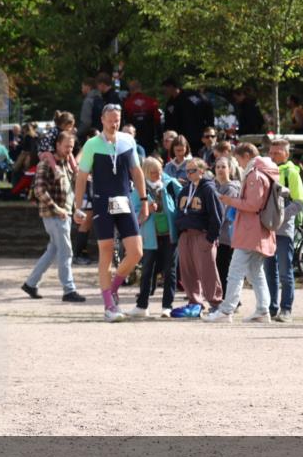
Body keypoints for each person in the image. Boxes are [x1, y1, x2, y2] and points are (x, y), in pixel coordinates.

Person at [73, 104, 148, 322]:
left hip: (124, 201)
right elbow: (81, 176)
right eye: (110, 120)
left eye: (117, 119)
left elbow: (136, 171)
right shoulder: (91, 144)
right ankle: (108, 306)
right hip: (101, 202)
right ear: (102, 120)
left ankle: (113, 287)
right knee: (105, 250)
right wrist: (78, 206)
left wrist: (143, 200)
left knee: (136, 252)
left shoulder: (128, 140)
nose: (114, 123)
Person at [204, 143, 279, 322]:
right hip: (259, 230)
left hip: (249, 230)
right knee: (255, 272)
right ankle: (262, 310)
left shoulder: (255, 175)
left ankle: (226, 310)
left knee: (235, 271)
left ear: (246, 156)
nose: (238, 164)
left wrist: (230, 200)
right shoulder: (266, 172)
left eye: (238, 160)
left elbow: (253, 205)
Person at [21, 131, 85, 302]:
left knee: (53, 250)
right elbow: (39, 190)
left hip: (64, 214)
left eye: (71, 147)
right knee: (66, 251)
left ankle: (31, 283)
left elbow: (71, 189)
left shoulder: (66, 164)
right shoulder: (46, 164)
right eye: (66, 146)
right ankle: (69, 290)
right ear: (57, 145)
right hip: (55, 215)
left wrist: (74, 209)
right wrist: (57, 209)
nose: (69, 150)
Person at [126, 156, 181, 317]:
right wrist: (147, 209)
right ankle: (142, 305)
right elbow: (134, 217)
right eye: (153, 172)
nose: (157, 175)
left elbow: (183, 200)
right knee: (147, 271)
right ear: (145, 173)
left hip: (170, 235)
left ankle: (167, 306)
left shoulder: (170, 184)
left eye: (159, 171)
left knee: (170, 270)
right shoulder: (138, 191)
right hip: (150, 237)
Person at [263, 139, 303, 322]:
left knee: (285, 270)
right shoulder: (265, 171)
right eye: (271, 153)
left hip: (283, 231)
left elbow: (300, 202)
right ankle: (271, 308)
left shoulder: (291, 173)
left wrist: (279, 218)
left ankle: (286, 309)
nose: (273, 156)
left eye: (277, 153)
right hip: (267, 230)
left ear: (286, 154)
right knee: (268, 270)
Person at [174, 158, 223, 315]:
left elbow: (217, 215)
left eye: (192, 170)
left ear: (202, 171)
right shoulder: (184, 190)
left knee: (208, 271)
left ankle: (216, 303)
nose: (189, 174)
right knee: (187, 272)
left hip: (202, 235)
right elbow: (179, 212)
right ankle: (195, 303)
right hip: (185, 235)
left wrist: (211, 237)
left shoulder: (208, 189)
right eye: (187, 171)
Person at [212, 153, 242, 298]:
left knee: (226, 269)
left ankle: (230, 300)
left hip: (227, 235)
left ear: (230, 169)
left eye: (223, 167)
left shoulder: (231, 188)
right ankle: (226, 298)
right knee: (220, 268)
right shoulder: (215, 186)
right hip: (219, 235)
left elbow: (222, 213)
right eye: (217, 167)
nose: (220, 170)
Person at [162, 78, 210, 149]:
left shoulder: (190, 97)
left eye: (165, 88)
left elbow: (206, 106)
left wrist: (208, 126)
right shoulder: (170, 103)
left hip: (196, 137)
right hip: (180, 140)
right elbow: (168, 122)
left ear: (171, 87)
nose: (164, 91)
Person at [122, 79, 160, 155]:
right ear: (140, 88)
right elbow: (157, 120)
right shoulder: (151, 101)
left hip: (133, 137)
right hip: (149, 137)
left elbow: (124, 120)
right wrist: (159, 137)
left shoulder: (127, 103)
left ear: (130, 90)